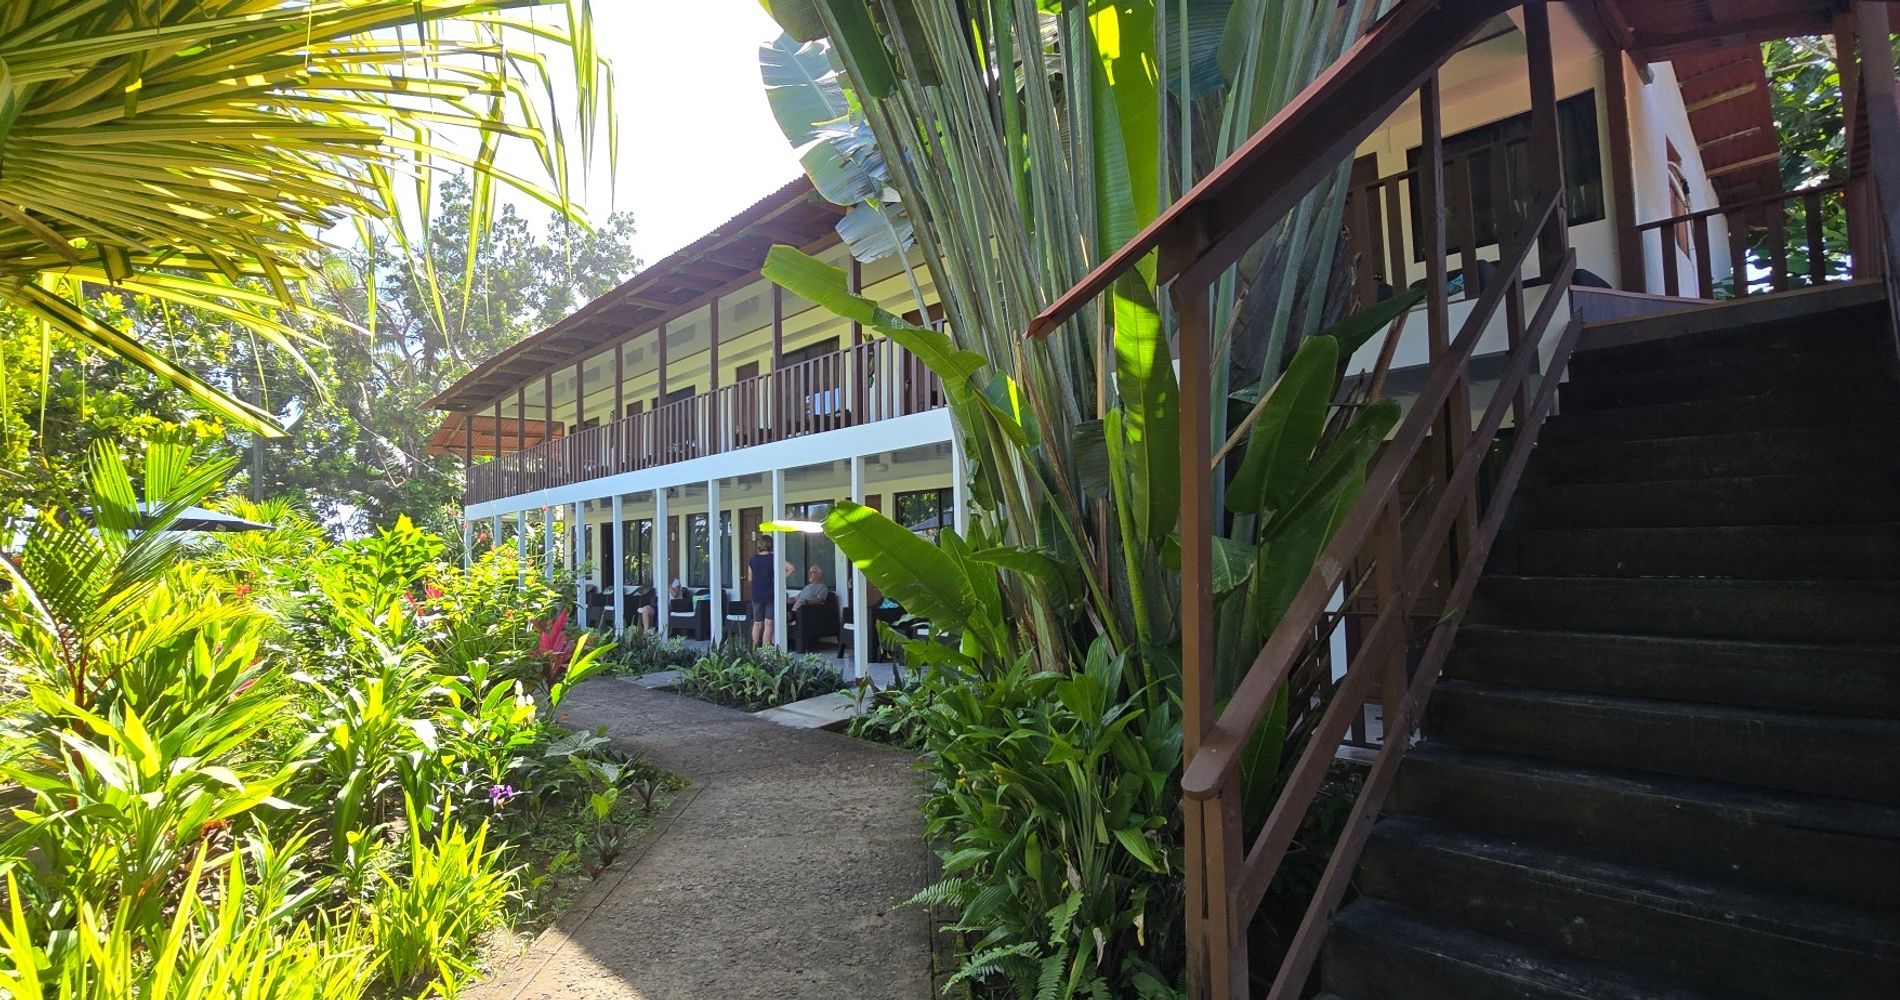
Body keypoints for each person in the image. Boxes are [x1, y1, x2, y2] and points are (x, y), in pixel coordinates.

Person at [747, 538, 778, 646]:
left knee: (757, 623)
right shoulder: (774, 558)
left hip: (756, 593)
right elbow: (791, 568)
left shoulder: (753, 559)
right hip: (770, 593)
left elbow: (750, 578)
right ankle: (766, 650)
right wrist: (778, 579)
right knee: (769, 623)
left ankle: (753, 649)